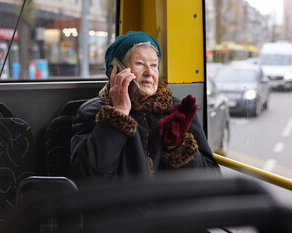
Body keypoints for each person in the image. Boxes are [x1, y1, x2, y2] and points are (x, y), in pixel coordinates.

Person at [69, 31, 220, 181]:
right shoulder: (93, 111)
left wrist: (178, 147)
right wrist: (118, 114)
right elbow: (85, 177)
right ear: (116, 70)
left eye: (154, 65)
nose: (149, 72)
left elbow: (212, 178)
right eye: (139, 63)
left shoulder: (177, 111)